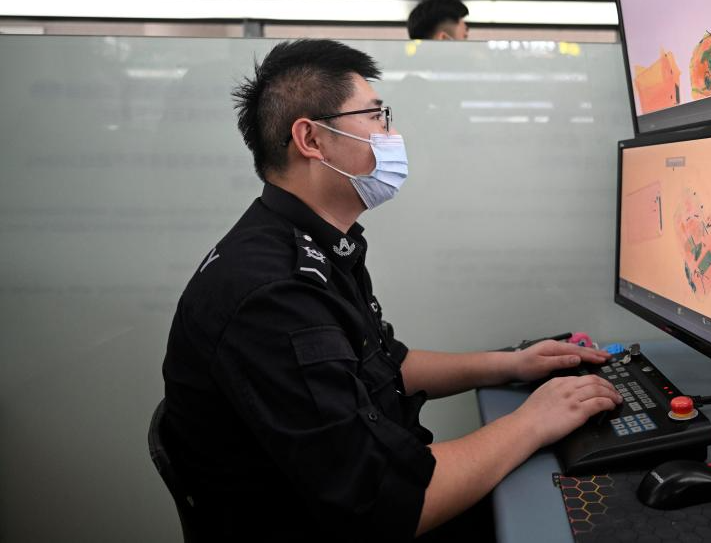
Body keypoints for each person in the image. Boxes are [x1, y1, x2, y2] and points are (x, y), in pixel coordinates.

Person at [159, 39, 621, 541]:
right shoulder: (274, 294)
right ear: (311, 139)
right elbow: (384, 503)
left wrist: (511, 364)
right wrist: (534, 421)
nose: (391, 134)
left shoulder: (312, 245)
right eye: (376, 116)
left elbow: (383, 363)